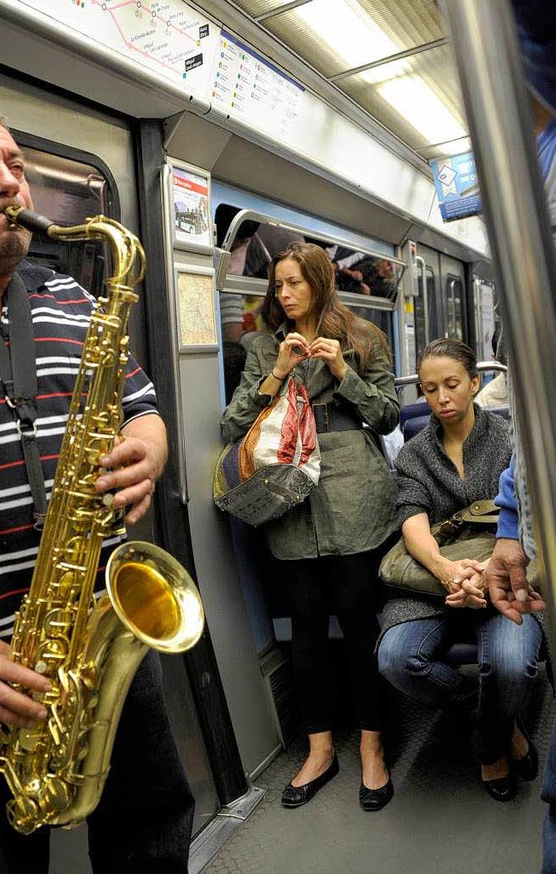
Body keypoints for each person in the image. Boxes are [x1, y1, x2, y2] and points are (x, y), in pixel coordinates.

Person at [0, 103, 194, 873]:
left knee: (154, 831)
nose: (9, 183)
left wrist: (148, 447)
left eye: (16, 164)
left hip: (96, 639)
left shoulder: (70, 295)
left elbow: (141, 408)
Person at [221, 241, 399, 812]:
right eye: (277, 285)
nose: (285, 293)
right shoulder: (260, 347)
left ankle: (373, 747)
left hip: (352, 491)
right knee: (304, 626)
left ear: (319, 283)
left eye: (295, 282)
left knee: (355, 615)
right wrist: (277, 372)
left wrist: (342, 370)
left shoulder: (366, 338)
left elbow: (389, 415)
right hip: (289, 493)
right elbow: (233, 425)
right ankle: (319, 749)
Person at [377, 339, 543, 802]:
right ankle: (496, 720)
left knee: (510, 663)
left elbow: (527, 515)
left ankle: (488, 747)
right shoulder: (414, 454)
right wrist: (448, 571)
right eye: (429, 390)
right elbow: (413, 523)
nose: (441, 398)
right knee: (396, 659)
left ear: (475, 383)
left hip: (508, 572)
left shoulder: (512, 438)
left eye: (452, 385)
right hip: (434, 579)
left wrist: (484, 571)